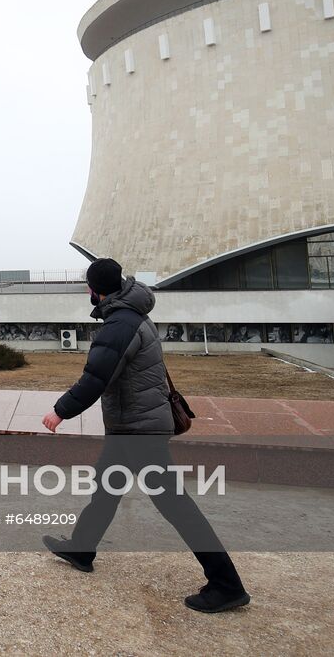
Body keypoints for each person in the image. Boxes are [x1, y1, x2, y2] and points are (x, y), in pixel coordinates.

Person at [40, 258, 251, 614]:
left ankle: (226, 584)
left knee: (176, 505)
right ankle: (81, 547)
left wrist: (60, 411)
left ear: (94, 290)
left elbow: (96, 377)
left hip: (139, 430)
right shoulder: (131, 312)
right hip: (132, 427)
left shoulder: (119, 324)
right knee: (106, 489)